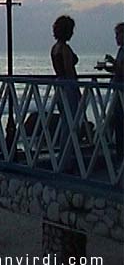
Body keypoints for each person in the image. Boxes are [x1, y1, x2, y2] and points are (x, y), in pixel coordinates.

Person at [50, 15, 80, 171]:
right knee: (70, 125)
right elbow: (70, 71)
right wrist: (77, 89)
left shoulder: (54, 48)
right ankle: (66, 162)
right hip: (68, 87)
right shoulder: (65, 49)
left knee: (65, 123)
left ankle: (64, 160)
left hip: (59, 85)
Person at [104, 22, 124, 160]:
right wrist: (110, 68)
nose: (116, 38)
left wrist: (113, 62)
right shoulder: (121, 50)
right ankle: (119, 152)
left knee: (120, 121)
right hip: (118, 90)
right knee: (117, 121)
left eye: (118, 34)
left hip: (121, 90)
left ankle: (120, 154)